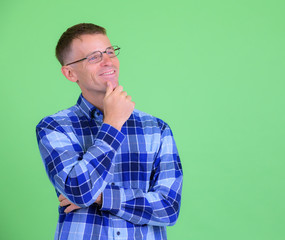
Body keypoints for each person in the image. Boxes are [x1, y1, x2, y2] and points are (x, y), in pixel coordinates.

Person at [36, 23, 183, 240]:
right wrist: (113, 123)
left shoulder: (156, 129)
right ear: (70, 73)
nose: (108, 61)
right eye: (94, 57)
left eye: (110, 52)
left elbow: (169, 208)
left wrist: (101, 197)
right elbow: (79, 190)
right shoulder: (54, 127)